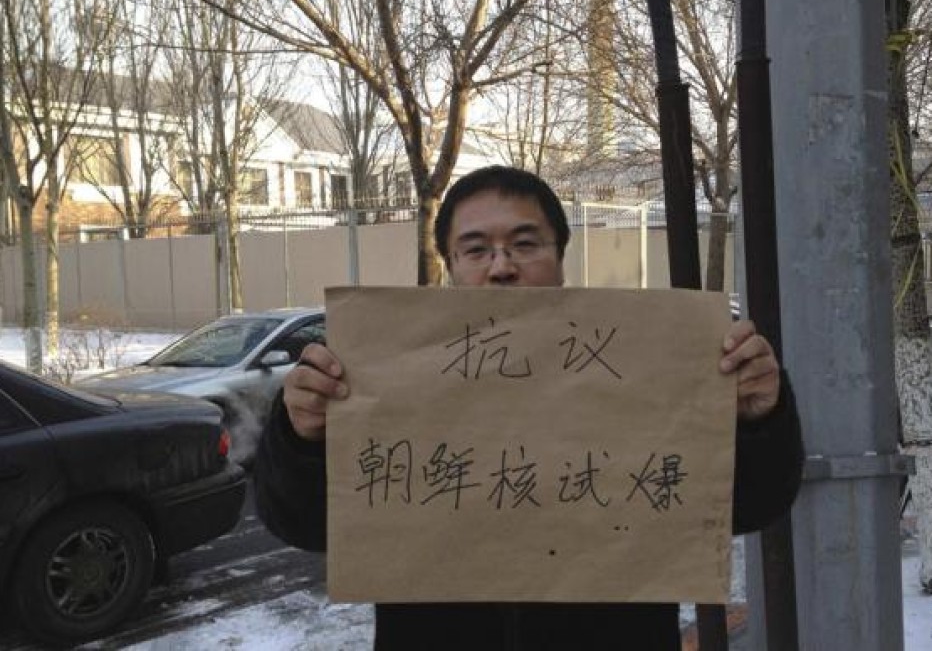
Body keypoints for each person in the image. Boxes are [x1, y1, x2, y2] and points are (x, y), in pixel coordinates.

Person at [255, 165, 804, 650]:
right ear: (449, 266)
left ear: (561, 258)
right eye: (475, 249)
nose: (501, 267)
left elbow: (752, 506)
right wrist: (301, 437)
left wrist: (759, 418)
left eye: (524, 244)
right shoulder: (378, 379)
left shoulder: (644, 371)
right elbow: (300, 524)